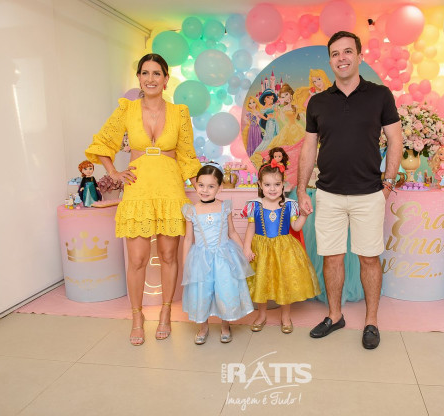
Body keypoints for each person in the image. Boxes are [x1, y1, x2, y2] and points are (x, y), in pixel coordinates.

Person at [85, 53, 201, 346]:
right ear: (138, 77)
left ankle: (165, 313)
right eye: (145, 73)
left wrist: (203, 189)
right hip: (138, 188)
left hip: (170, 187)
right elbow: (103, 142)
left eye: (156, 73)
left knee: (169, 256)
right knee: (137, 259)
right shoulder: (126, 109)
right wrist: (113, 172)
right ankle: (137, 317)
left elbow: (187, 154)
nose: (151, 79)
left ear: (166, 79)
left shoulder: (179, 113)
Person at [297, 31, 403, 349]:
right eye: (335, 53)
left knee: (369, 259)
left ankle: (371, 322)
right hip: (328, 194)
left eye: (347, 52)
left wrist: (388, 183)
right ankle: (334, 316)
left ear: (359, 56)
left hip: (369, 194)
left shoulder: (380, 95)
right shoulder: (318, 102)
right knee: (332, 259)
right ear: (330, 60)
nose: (341, 58)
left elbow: (395, 140)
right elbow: (308, 148)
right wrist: (301, 190)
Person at [242, 162, 320, 334]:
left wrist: (304, 216)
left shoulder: (289, 205)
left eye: (277, 184)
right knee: (261, 282)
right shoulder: (254, 205)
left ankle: (285, 316)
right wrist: (247, 248)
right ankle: (262, 315)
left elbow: (296, 227)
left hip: (284, 249)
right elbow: (250, 228)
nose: (272, 189)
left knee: (285, 282)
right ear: (260, 185)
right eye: (267, 185)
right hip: (261, 249)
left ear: (283, 184)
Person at [181, 163, 254, 345]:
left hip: (223, 257)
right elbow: (188, 239)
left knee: (225, 290)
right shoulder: (191, 210)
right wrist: (185, 262)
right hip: (201, 258)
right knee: (202, 291)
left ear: (219, 188)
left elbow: (232, 232)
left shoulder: (224, 207)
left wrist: (244, 250)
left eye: (211, 186)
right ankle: (203, 327)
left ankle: (225, 326)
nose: (205, 190)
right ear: (195, 185)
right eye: (201, 185)